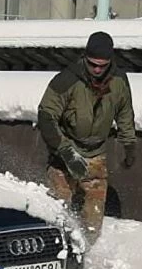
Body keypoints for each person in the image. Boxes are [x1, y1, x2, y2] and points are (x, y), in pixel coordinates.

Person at [36, 31, 136, 242]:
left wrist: (129, 147)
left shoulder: (119, 81)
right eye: (93, 64)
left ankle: (86, 252)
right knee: (60, 204)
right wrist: (66, 151)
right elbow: (46, 115)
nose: (97, 70)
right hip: (64, 151)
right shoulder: (67, 79)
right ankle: (56, 246)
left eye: (102, 65)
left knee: (93, 215)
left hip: (96, 155)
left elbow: (125, 114)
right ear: (85, 58)